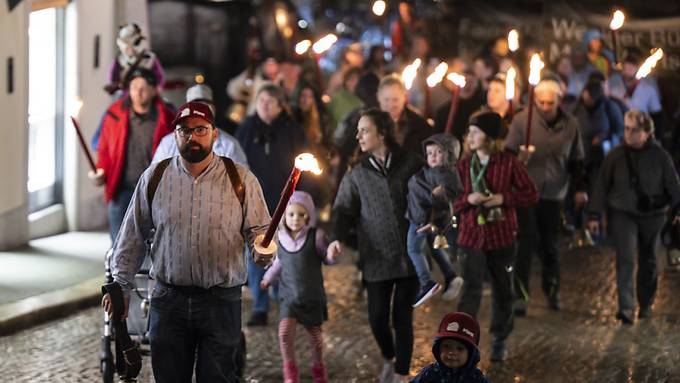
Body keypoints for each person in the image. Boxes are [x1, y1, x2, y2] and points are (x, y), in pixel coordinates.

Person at [102, 101, 273, 382]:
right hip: (168, 301)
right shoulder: (155, 177)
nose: (192, 136)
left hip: (221, 300)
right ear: (175, 136)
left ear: (215, 134)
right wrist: (121, 284)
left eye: (200, 130)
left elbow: (260, 231)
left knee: (216, 377)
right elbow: (131, 234)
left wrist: (262, 249)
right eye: (184, 130)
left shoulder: (240, 179)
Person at [330, 108, 424, 382]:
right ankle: (389, 356)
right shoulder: (357, 173)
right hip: (376, 256)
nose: (358, 135)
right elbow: (344, 210)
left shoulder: (411, 163)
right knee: (377, 318)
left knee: (402, 317)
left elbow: (430, 195)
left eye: (365, 130)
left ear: (382, 133)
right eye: (357, 130)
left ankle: (401, 373)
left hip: (409, 254)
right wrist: (337, 238)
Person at [454, 111, 538, 362]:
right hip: (471, 236)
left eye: (476, 132)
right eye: (469, 132)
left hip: (501, 235)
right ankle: (462, 340)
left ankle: (500, 337)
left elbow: (531, 194)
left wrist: (504, 198)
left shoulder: (508, 163)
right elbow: (451, 199)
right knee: (471, 289)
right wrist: (468, 199)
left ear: (490, 137)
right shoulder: (463, 164)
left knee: (503, 287)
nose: (470, 137)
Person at [587, 110, 680, 324]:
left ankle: (646, 302)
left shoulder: (660, 156)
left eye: (635, 130)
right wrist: (594, 214)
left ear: (647, 132)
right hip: (623, 213)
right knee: (625, 258)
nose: (629, 134)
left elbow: (673, 184)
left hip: (653, 216)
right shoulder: (616, 155)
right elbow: (602, 185)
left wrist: (677, 209)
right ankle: (626, 307)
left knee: (648, 259)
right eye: (627, 129)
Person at [505, 78, 587, 316]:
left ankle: (552, 289)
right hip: (525, 193)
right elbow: (508, 155)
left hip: (554, 193)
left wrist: (580, 187)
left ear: (558, 102)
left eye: (549, 103)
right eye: (540, 102)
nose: (544, 107)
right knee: (526, 245)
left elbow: (576, 160)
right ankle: (520, 295)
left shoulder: (571, 124)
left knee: (550, 245)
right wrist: (519, 159)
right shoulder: (522, 121)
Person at [237, 84, 308, 326]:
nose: (265, 105)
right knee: (257, 252)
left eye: (270, 101)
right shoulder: (247, 128)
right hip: (255, 204)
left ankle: (283, 301)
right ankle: (260, 304)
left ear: (280, 105)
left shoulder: (292, 130)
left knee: (285, 253)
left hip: (285, 203)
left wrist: (302, 198)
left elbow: (304, 162)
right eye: (261, 100)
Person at [261, 191, 338, 383]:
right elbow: (278, 264)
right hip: (289, 299)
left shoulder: (316, 237)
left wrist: (331, 254)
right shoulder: (280, 239)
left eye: (301, 215)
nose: (296, 219)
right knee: (284, 334)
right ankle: (290, 372)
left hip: (311, 297)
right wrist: (267, 278)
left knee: (316, 340)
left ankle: (318, 370)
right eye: (291, 214)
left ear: (309, 216)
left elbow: (327, 259)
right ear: (284, 216)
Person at [89, 68, 175, 241]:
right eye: (134, 86)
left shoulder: (167, 118)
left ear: (153, 90)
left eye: (143, 87)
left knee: (153, 243)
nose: (138, 92)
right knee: (119, 245)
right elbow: (105, 150)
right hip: (121, 189)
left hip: (154, 191)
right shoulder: (115, 114)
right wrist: (101, 172)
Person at [406, 133, 464, 307]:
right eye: (429, 152)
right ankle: (450, 275)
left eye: (438, 152)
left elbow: (447, 193)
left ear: (449, 154)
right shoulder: (435, 172)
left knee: (414, 249)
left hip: (422, 219)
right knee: (434, 248)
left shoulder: (443, 173)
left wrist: (427, 219)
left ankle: (426, 283)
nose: (432, 156)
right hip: (424, 217)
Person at [152, 83, 247, 166]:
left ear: (213, 110)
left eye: (205, 107)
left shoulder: (229, 145)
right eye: (196, 107)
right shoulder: (168, 143)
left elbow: (241, 181)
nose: (199, 112)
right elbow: (154, 178)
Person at [410, 312, 490, 383]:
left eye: (460, 348)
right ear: (438, 348)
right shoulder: (429, 374)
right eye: (446, 346)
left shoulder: (476, 379)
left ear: (471, 353)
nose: (452, 352)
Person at [378, 74, 437, 156]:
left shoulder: (420, 125)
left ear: (404, 97)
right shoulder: (370, 123)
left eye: (395, 99)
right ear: (379, 98)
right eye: (386, 100)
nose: (391, 105)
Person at [104, 22, 165, 96]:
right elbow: (112, 80)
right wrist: (117, 86)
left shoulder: (150, 58)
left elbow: (159, 78)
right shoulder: (119, 60)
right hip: (126, 96)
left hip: (147, 95)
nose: (129, 50)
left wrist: (156, 89)